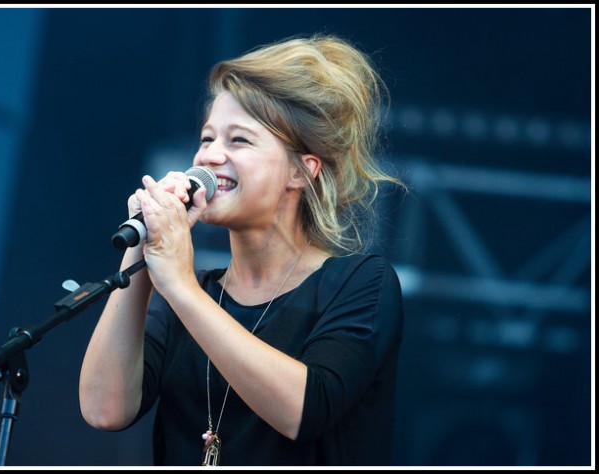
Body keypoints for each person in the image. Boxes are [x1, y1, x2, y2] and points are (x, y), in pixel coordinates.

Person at [79, 33, 405, 466]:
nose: (210, 156)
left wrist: (179, 285)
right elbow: (105, 410)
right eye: (207, 138)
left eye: (239, 140)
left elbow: (303, 411)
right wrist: (140, 248)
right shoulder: (190, 295)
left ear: (300, 172)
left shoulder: (360, 283)